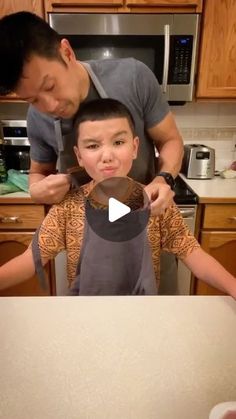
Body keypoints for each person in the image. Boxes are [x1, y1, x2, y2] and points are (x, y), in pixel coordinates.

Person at [0, 98, 235, 297]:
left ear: (134, 148)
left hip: (140, 317)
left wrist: (232, 287)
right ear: (79, 156)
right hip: (86, 317)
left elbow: (193, 253)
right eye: (93, 146)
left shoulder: (155, 201)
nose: (107, 156)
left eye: (118, 142)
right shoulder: (67, 207)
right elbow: (30, 260)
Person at [0, 11, 183, 216]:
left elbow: (170, 140)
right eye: (33, 100)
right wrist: (36, 191)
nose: (49, 106)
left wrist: (163, 180)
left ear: (67, 53)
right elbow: (38, 172)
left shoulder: (134, 78)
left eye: (50, 86)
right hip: (80, 228)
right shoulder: (36, 117)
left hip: (140, 217)